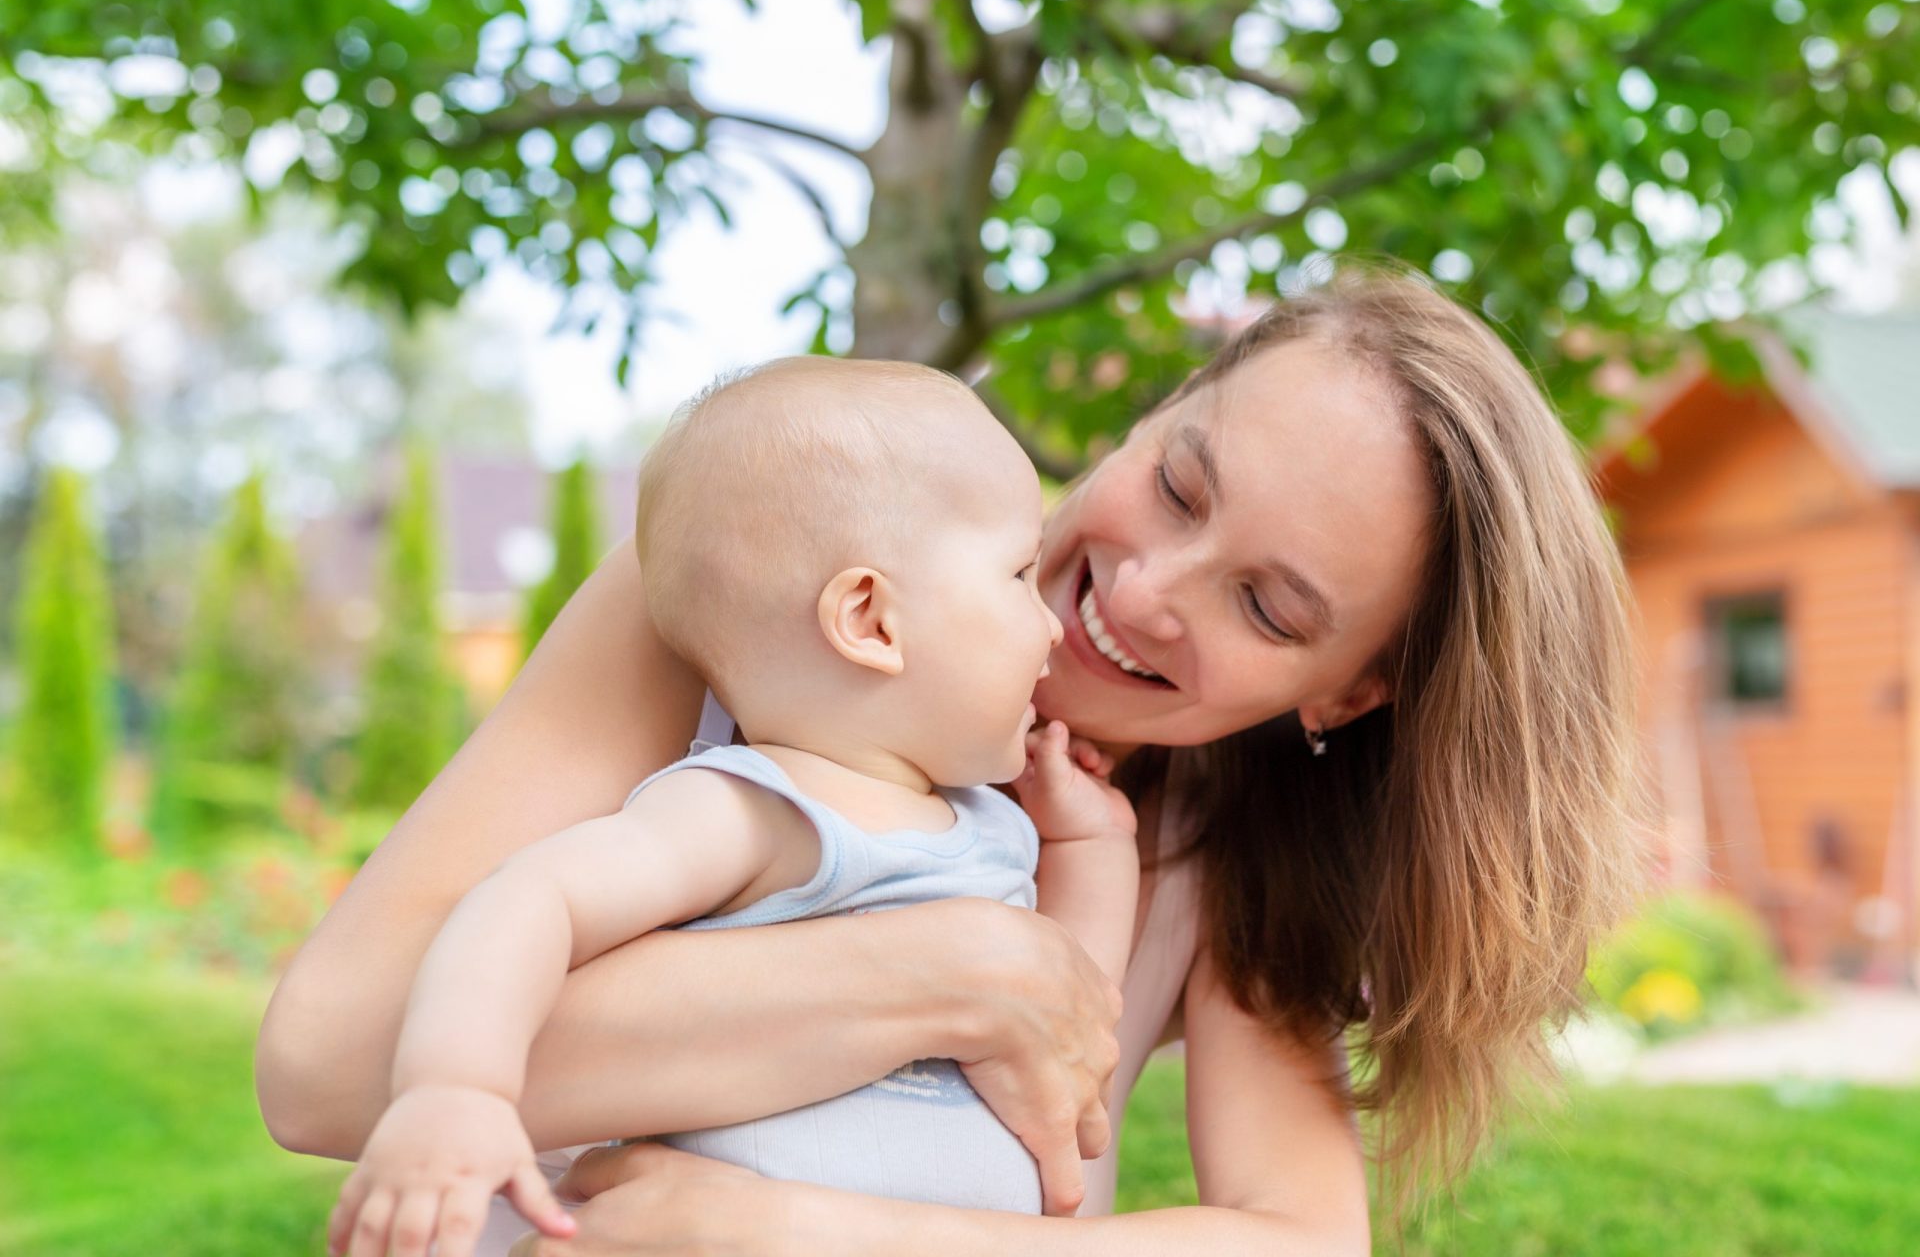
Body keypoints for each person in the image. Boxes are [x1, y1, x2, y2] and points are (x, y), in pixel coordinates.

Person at [258, 265, 1641, 1254]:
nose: (1148, 589)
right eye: (1177, 481)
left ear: (1350, 694)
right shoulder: (762, 586)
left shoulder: (1229, 841)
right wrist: (963, 975)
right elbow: (327, 1067)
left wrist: (797, 1232)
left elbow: (1299, 1238)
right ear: (1162, 408)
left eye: (1268, 607)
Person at [323, 356, 1142, 1257]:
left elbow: (1076, 1013)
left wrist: (1094, 843)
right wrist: (458, 1090)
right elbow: (530, 898)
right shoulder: (759, 809)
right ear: (871, 620)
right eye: (1018, 575)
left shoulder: (988, 827)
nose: (1052, 623)